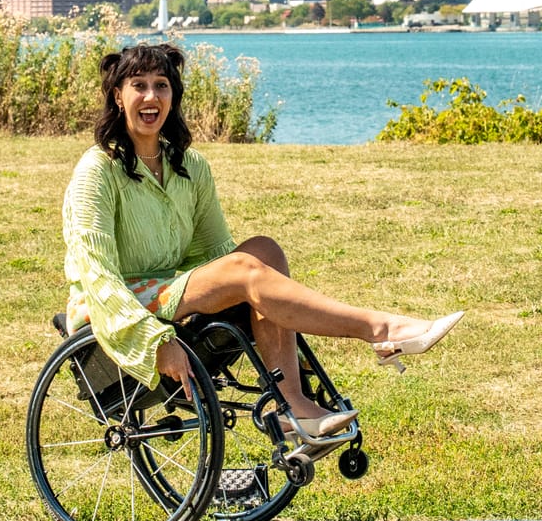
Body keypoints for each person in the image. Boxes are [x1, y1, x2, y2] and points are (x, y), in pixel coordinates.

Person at [61, 42, 463, 443]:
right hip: (116, 301)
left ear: (173, 95)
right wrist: (154, 342)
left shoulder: (189, 167)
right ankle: (382, 329)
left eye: (162, 85)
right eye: (139, 85)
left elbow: (219, 254)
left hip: (169, 287)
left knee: (263, 252)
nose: (151, 97)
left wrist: (260, 299)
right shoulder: (98, 170)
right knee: (245, 271)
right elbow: (98, 274)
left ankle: (290, 404)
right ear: (118, 95)